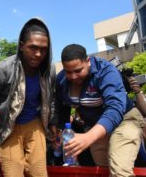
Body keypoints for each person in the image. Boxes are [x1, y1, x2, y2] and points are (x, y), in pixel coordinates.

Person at [54, 44, 145, 176]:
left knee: (119, 169)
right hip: (94, 125)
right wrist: (60, 130)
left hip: (124, 120)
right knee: (102, 170)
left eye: (78, 70)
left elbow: (115, 109)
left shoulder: (106, 71)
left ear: (88, 62)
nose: (73, 76)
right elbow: (61, 106)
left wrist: (88, 137)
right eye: (68, 71)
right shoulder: (61, 79)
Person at [0, 18, 56, 177]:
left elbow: (51, 98)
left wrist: (52, 121)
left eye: (43, 49)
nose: (38, 54)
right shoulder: (4, 69)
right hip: (9, 127)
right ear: (21, 45)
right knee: (13, 173)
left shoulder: (48, 70)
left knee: (39, 173)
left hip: (35, 125)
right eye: (32, 47)